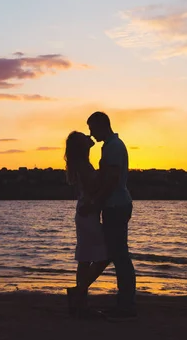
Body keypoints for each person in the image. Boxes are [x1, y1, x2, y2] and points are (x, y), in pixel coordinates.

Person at [85, 111, 137, 321]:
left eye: (92, 128)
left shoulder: (114, 147)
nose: (90, 133)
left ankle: (126, 305)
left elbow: (112, 179)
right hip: (115, 204)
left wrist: (96, 202)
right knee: (117, 254)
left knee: (120, 256)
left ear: (101, 125)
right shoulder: (110, 145)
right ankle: (125, 303)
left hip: (116, 205)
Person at [64, 131, 110, 318]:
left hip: (84, 212)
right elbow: (92, 188)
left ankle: (80, 305)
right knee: (106, 255)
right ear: (80, 145)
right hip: (88, 213)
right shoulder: (83, 165)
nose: (88, 136)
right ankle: (78, 292)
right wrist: (103, 172)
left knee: (84, 259)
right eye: (85, 136)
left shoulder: (80, 163)